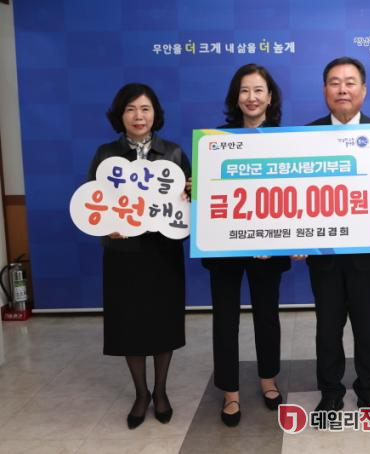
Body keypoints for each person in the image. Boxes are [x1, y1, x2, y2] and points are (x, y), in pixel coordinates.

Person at [301, 57, 370, 412]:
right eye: (335, 82)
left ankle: (369, 392)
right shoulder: (307, 135)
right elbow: (298, 192)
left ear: (363, 90)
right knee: (327, 327)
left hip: (368, 251)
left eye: (350, 82)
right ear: (324, 90)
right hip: (324, 251)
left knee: (368, 325)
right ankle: (330, 392)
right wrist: (296, 237)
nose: (342, 89)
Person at [87, 83, 191, 429]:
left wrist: (191, 194)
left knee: (163, 322)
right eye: (130, 109)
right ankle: (141, 393)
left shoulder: (173, 153)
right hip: (123, 254)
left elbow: (191, 199)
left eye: (145, 108)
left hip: (163, 253)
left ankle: (160, 391)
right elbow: (92, 204)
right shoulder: (106, 155)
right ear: (120, 115)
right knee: (129, 323)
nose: (138, 116)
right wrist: (107, 227)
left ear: (155, 114)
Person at [201, 64, 291, 427]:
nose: (251, 98)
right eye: (244, 91)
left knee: (267, 315)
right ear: (235, 98)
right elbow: (207, 193)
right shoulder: (215, 141)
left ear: (270, 97)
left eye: (258, 90)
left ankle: (268, 379)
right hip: (225, 248)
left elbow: (294, 196)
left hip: (269, 247)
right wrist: (195, 188)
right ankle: (230, 391)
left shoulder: (287, 142)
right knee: (225, 319)